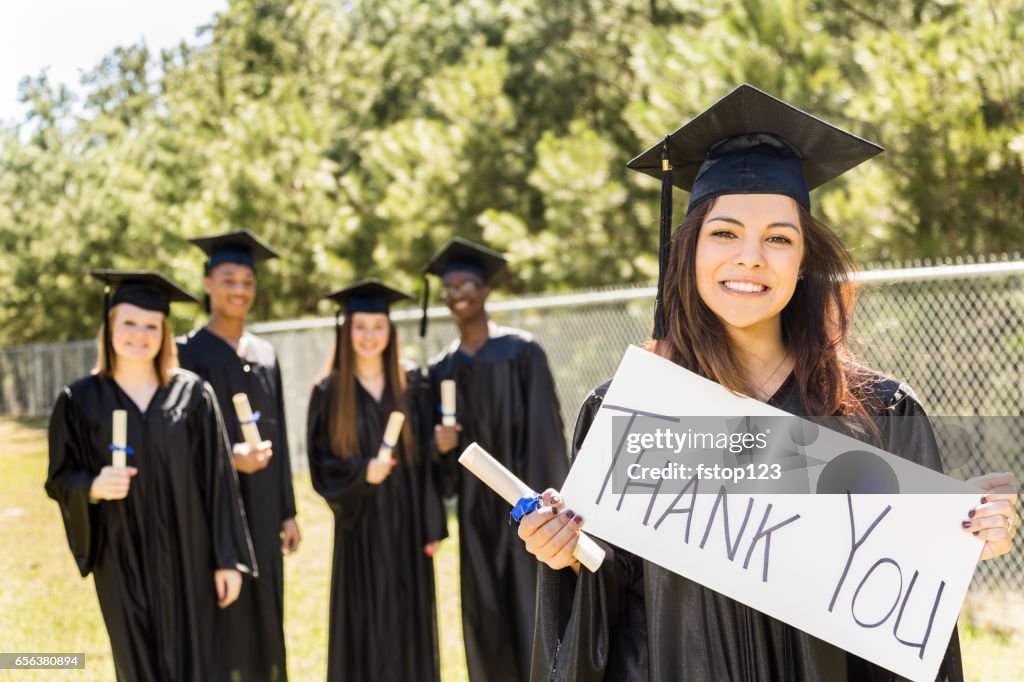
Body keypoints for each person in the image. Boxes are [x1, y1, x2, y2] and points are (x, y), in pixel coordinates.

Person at [516, 84, 1020, 681]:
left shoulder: (879, 411)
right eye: (724, 233)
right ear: (690, 252)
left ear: (804, 259)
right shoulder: (630, 411)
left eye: (778, 238)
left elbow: (903, 614)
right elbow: (607, 600)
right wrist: (563, 554)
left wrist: (961, 541)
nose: (750, 257)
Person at [46, 270, 256, 681]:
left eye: (151, 325)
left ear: (164, 332)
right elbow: (59, 478)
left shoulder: (193, 394)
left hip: (190, 555)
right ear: (109, 328)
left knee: (198, 661)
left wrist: (227, 559)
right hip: (122, 558)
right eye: (129, 323)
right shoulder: (80, 400)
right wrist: (91, 486)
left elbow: (218, 482)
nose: (139, 334)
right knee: (136, 661)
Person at [421, 237, 569, 682]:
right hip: (472, 512)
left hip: (525, 503)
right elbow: (441, 473)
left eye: (466, 283)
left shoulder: (522, 352)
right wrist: (440, 448)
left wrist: (546, 503)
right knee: (483, 613)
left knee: (531, 608)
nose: (456, 294)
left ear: (486, 291)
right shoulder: (441, 369)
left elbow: (546, 434)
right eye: (449, 287)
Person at [306, 278, 448, 682]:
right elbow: (320, 463)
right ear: (346, 331)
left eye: (378, 326)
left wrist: (431, 522)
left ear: (390, 331)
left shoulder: (413, 384)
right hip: (360, 525)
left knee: (409, 620)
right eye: (360, 327)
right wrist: (359, 472)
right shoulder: (328, 391)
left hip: (406, 524)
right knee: (363, 619)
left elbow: (424, 464)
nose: (369, 336)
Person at [177, 230, 299, 681]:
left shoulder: (265, 354)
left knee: (268, 605)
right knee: (224, 609)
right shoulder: (187, 353)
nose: (239, 290)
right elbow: (180, 439)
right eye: (229, 279)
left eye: (247, 281)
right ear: (208, 283)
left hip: (265, 504)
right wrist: (230, 458)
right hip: (213, 507)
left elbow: (280, 437)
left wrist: (288, 511)